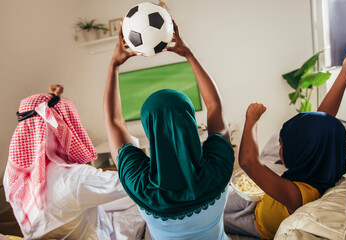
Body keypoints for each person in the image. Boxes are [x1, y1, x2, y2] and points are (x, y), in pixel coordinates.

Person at [103, 20, 234, 240]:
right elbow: (214, 106)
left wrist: (114, 65)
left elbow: (114, 121)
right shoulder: (218, 168)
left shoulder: (141, 185)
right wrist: (188, 54)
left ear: (149, 129)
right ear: (191, 121)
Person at [224, 44, 346, 239]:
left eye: (282, 144)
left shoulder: (297, 196)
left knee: (211, 214)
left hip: (254, 224)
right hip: (262, 200)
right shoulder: (320, 170)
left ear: (299, 155)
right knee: (218, 198)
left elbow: (248, 162)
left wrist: (251, 120)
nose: (279, 148)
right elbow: (324, 118)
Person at [3, 85, 145, 240]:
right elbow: (134, 183)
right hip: (99, 235)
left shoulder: (13, 175)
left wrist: (54, 96)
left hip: (55, 229)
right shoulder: (74, 178)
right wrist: (119, 124)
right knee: (144, 206)